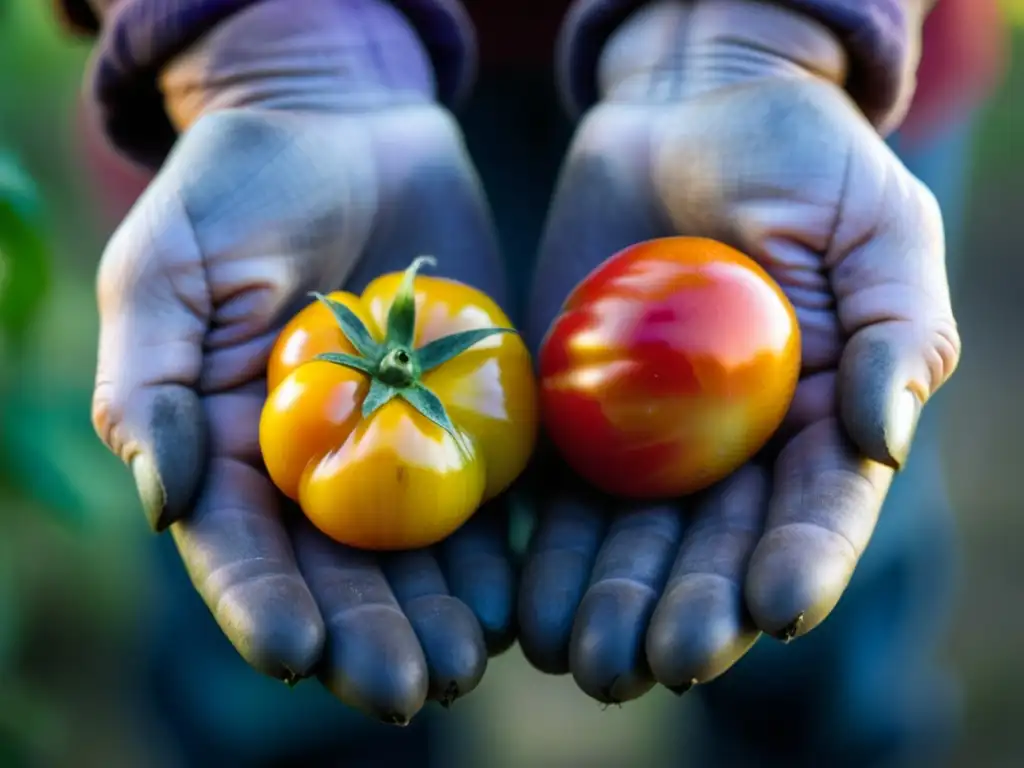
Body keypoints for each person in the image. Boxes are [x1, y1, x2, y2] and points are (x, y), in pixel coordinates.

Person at [61, 0, 1006, 766]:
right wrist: (261, 46)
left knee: (820, 633)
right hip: (271, 57)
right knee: (275, 701)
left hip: (792, 60)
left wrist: (771, 33)